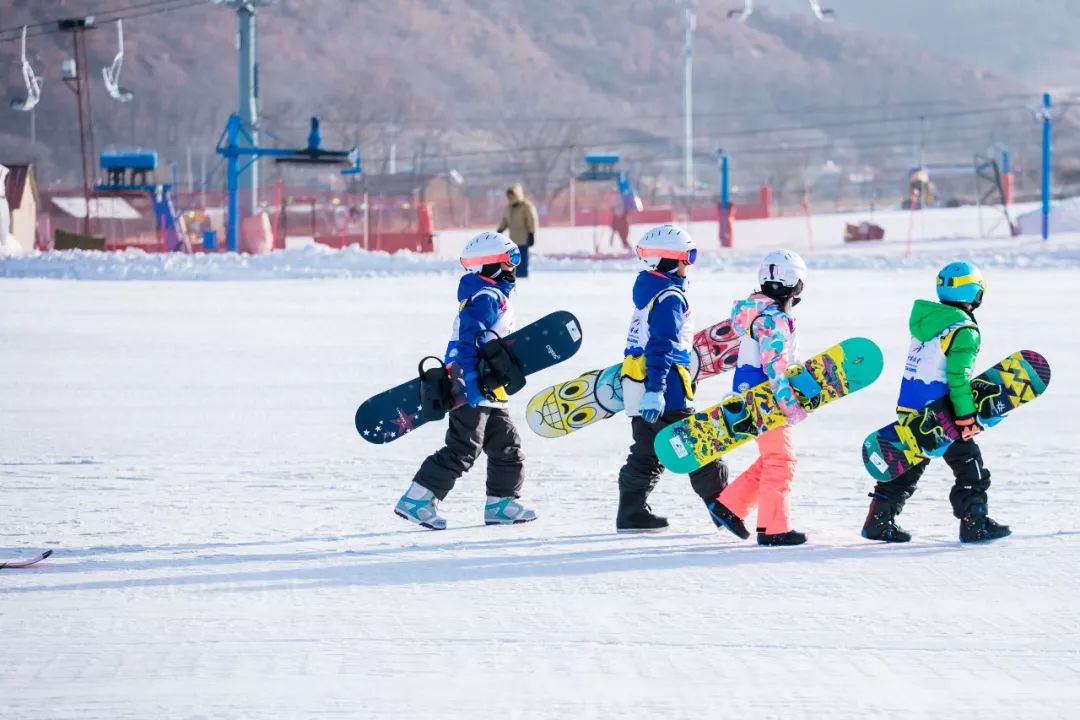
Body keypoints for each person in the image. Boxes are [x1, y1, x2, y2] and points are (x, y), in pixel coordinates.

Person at [394, 231, 536, 530]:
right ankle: (417, 499)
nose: (514, 267)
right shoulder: (485, 298)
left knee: (507, 446)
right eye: (510, 260)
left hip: (490, 386)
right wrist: (470, 383)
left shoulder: (495, 295)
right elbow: (468, 341)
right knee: (463, 448)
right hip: (470, 384)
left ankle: (501, 503)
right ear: (491, 265)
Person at [862, 262, 1010, 544]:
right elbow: (958, 377)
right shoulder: (963, 329)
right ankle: (974, 522)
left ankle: (879, 520)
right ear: (974, 293)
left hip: (910, 407)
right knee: (970, 466)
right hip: (943, 413)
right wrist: (967, 416)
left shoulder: (928, 322)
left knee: (909, 463)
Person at [616, 225, 728, 533]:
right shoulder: (670, 298)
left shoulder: (646, 293)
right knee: (698, 445)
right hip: (666, 390)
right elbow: (661, 345)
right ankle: (725, 506)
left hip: (637, 385)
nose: (689, 264)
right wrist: (657, 390)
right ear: (670, 260)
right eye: (687, 256)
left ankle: (631, 512)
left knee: (647, 451)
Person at [707, 250, 809, 546]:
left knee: (772, 459)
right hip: (765, 398)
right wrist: (789, 405)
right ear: (797, 285)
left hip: (748, 395)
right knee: (782, 460)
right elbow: (775, 366)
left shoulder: (755, 313)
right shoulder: (773, 320)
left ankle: (730, 506)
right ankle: (775, 529)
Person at [496, 184, 538, 278]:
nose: (510, 198)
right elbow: (505, 220)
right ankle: (515, 276)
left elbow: (532, 220)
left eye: (512, 195)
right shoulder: (508, 208)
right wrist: (500, 230)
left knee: (522, 260)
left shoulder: (526, 206)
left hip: (524, 238)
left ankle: (523, 276)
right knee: (513, 260)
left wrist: (531, 233)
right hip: (513, 240)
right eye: (509, 196)